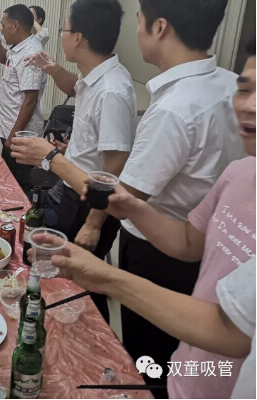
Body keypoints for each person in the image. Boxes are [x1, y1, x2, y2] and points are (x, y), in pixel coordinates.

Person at [10, 0, 243, 396]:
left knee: (144, 353)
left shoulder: (171, 108)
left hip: (159, 249)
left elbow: (120, 190)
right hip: (198, 245)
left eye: (140, 21)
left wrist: (52, 159)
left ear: (159, 27)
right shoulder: (230, 86)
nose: (136, 31)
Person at [95, 39, 255, 399]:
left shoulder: (174, 107)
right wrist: (133, 207)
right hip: (188, 369)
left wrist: (106, 277)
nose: (249, 106)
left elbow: (231, 331)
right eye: (245, 90)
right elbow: (189, 242)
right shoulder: (241, 172)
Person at [25, 0, 136, 321]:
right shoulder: (94, 77)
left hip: (89, 203)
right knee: (62, 269)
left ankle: (91, 338)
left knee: (81, 281)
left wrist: (93, 223)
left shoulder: (112, 90)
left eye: (64, 29)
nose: (61, 35)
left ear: (78, 38)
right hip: (71, 186)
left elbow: (117, 164)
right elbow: (75, 88)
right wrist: (50, 68)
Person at [46, 241, 255, 400]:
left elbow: (226, 329)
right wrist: (106, 279)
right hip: (188, 375)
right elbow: (227, 328)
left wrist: (106, 279)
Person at [0, 4, 46, 192]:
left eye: (3, 25)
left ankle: (24, 210)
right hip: (9, 127)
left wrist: (13, 137)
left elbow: (30, 100)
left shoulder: (30, 53)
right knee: (9, 180)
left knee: (20, 184)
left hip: (21, 135)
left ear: (14, 25)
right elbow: (4, 58)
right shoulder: (18, 47)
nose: (1, 29)